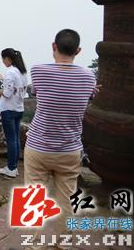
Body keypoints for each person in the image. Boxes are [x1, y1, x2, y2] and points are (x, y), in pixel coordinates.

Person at [24, 29, 96, 243]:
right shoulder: (89, 77)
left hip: (38, 147)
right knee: (67, 199)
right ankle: (63, 242)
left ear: (53, 46)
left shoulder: (38, 70)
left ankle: (33, 243)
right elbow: (90, 93)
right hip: (69, 150)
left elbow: (36, 91)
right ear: (78, 50)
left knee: (33, 196)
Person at [0, 48, 28, 178]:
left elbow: (7, 93)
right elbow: (19, 90)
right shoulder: (22, 72)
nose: (3, 62)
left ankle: (11, 168)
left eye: (3, 59)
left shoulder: (10, 72)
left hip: (8, 109)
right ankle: (14, 166)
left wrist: (0, 91)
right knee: (16, 139)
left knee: (11, 140)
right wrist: (2, 79)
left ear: (7, 58)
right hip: (19, 108)